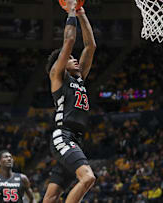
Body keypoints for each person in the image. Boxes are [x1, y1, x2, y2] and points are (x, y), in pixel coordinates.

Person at [42, 0, 97, 202]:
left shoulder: (79, 79)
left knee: (51, 197)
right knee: (88, 178)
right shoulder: (57, 76)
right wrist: (71, 10)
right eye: (70, 58)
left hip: (75, 138)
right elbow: (69, 41)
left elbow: (91, 46)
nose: (74, 59)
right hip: (63, 135)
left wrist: (81, 13)